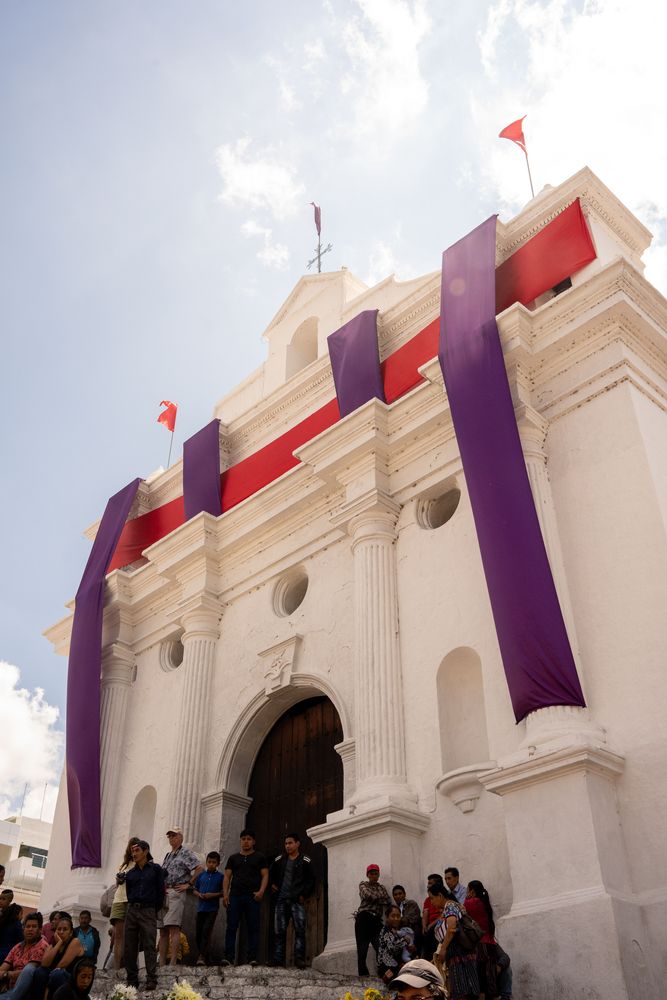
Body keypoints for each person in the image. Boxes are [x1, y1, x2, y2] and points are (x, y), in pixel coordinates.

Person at [269, 833, 316, 969]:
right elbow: (269, 874)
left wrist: (304, 894)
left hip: (297, 900)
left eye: (290, 843)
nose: (288, 846)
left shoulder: (306, 860)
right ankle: (278, 959)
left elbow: (312, 879)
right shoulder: (279, 860)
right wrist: (272, 884)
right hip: (281, 900)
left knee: (300, 930)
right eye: (286, 844)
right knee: (279, 931)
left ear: (297, 844)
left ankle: (299, 959)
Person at [222, 830, 268, 967]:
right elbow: (227, 876)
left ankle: (252, 957)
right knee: (231, 927)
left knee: (253, 927)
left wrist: (261, 891)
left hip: (252, 897)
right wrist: (225, 894)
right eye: (243, 839)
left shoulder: (260, 857)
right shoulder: (233, 858)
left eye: (248, 839)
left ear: (253, 841)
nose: (246, 841)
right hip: (235, 896)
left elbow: (265, 875)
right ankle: (228, 957)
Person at [124, 839, 164, 992]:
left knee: (149, 944)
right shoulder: (131, 874)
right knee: (129, 946)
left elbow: (161, 893)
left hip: (148, 910)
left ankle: (151, 979)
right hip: (132, 910)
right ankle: (132, 979)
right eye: (133, 851)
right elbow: (129, 893)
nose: (134, 854)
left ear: (146, 851)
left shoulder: (155, 870)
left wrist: (152, 909)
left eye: (137, 851)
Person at [159, 827, 202, 967]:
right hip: (165, 891)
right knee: (163, 929)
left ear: (181, 837)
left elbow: (200, 868)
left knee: (174, 927)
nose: (171, 838)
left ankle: (172, 962)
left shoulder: (185, 852)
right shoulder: (168, 855)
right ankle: (161, 962)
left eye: (174, 835)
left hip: (176, 891)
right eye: (169, 836)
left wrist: (188, 884)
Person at [430, 883, 479, 1000]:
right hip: (455, 952)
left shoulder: (450, 906)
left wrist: (443, 949)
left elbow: (452, 928)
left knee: (462, 990)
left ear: (440, 895)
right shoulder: (448, 908)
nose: (431, 902)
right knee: (460, 989)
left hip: (459, 952)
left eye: (432, 898)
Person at [30, 914, 84, 1000]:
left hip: (70, 979)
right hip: (54, 975)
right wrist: (59, 943)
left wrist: (48, 987)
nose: (61, 932)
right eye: (59, 929)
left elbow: (62, 965)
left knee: (58, 973)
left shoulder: (75, 942)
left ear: (71, 933)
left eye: (65, 929)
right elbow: (44, 964)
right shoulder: (53, 945)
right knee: (40, 971)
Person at [0, 912, 48, 1000]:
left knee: (29, 968)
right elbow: (2, 968)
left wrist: (6, 974)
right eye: (28, 926)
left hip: (28, 991)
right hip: (10, 990)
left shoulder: (42, 945)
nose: (30, 929)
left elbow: (27, 973)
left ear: (40, 930)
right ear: (23, 929)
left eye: (34, 927)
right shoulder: (17, 947)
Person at [354, 864, 390, 977]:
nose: (374, 876)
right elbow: (367, 894)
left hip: (376, 920)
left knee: (380, 947)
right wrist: (379, 898)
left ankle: (383, 973)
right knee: (362, 949)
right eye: (371, 874)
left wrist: (376, 897)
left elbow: (387, 900)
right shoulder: (363, 884)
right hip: (363, 918)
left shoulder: (382, 887)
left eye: (376, 874)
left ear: (378, 875)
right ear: (367, 875)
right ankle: (363, 975)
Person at [465, 880, 499, 1000]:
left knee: (481, 982)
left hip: (479, 946)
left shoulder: (470, 902)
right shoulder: (485, 903)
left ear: (472, 892)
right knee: (491, 980)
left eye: (467, 890)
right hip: (491, 945)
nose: (466, 893)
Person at [110, 836, 141, 969]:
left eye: (136, 847)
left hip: (131, 901)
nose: (133, 850)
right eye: (131, 847)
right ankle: (117, 967)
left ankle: (129, 965)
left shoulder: (140, 864)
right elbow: (117, 884)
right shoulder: (124, 864)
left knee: (131, 936)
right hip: (119, 899)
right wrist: (119, 879)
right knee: (118, 936)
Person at [193, 851, 224, 966]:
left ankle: (201, 956)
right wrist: (199, 894)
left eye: (214, 862)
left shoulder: (220, 877)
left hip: (212, 909)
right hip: (201, 908)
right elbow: (195, 889)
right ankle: (207, 956)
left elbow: (223, 892)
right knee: (198, 933)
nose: (211, 864)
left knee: (206, 931)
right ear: (206, 862)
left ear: (218, 864)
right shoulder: (201, 875)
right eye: (209, 862)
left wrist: (212, 895)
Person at [377, 905, 410, 983]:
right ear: (387, 918)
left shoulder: (394, 930)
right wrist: (405, 941)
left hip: (394, 967)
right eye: (393, 916)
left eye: (398, 916)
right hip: (388, 969)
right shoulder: (386, 930)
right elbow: (392, 947)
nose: (396, 918)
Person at [392, 885, 421, 955]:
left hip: (412, 931)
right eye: (395, 895)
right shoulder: (393, 908)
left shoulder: (411, 903)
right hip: (400, 935)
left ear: (404, 894)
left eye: (400, 893)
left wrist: (397, 922)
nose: (398, 896)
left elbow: (407, 920)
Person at [421, 876, 444, 960]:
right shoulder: (428, 899)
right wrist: (424, 926)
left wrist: (431, 925)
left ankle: (427, 958)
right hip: (430, 925)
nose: (428, 886)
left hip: (439, 923)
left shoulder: (442, 897)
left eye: (430, 883)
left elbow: (443, 915)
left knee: (432, 931)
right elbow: (425, 913)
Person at [0, 893, 23, 964]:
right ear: (18, 914)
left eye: (3, 899)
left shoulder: (4, 921)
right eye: (21, 914)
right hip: (8, 954)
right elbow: (21, 940)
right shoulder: (17, 924)